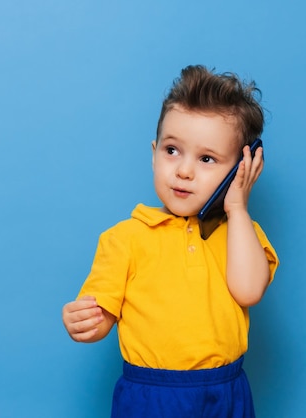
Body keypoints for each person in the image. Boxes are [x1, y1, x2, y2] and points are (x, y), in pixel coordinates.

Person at [62, 65, 279, 418]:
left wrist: (237, 206)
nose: (183, 171)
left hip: (225, 391)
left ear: (241, 169)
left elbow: (249, 291)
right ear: (154, 152)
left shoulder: (242, 234)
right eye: (172, 150)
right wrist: (84, 321)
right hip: (150, 396)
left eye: (207, 159)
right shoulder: (125, 238)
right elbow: (100, 315)